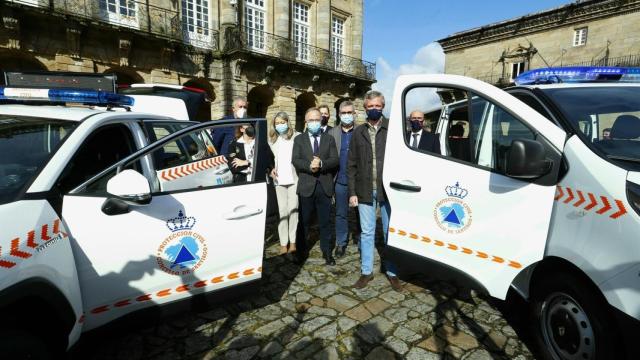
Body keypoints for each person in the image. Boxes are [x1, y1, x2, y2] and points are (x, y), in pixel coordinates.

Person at [348, 90, 401, 291]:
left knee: (390, 233)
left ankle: (392, 272)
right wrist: (352, 192)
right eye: (370, 107)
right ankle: (366, 272)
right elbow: (351, 164)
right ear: (364, 108)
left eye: (377, 106)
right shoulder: (358, 132)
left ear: (383, 106)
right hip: (364, 190)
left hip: (388, 191)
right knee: (367, 232)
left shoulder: (393, 129)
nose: (374, 110)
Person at [292, 107, 339, 265]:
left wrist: (322, 164)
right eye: (310, 120)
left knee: (325, 222)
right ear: (306, 122)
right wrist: (309, 166)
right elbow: (296, 160)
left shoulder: (329, 139)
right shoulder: (299, 139)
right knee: (303, 221)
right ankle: (300, 252)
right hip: (306, 186)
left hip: (324, 186)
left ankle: (327, 253)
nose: (314, 123)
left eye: (317, 120)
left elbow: (335, 160)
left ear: (322, 120)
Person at [328, 100, 360, 258]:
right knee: (341, 214)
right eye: (343, 113)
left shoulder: (361, 131)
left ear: (354, 114)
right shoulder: (332, 133)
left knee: (361, 213)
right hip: (340, 181)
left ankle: (361, 241)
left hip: (359, 182)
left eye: (349, 112)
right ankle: (341, 243)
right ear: (339, 114)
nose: (347, 116)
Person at [269, 111, 300, 255]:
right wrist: (270, 169)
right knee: (282, 211)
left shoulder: (297, 137)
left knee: (293, 210)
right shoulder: (272, 140)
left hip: (294, 180)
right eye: (277, 123)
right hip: (279, 181)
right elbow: (269, 160)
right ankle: (283, 243)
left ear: (288, 122)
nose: (280, 125)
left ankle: (293, 241)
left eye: (283, 122)